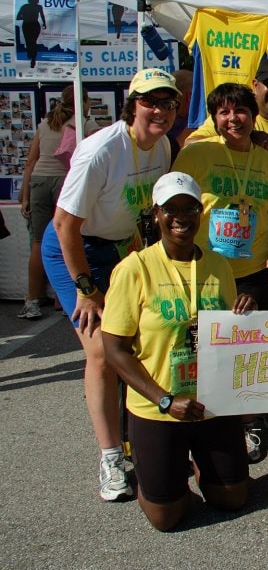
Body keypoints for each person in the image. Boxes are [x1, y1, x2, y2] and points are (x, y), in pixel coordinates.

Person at [41, 68, 179, 501]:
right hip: (74, 249)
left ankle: (136, 436)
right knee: (101, 350)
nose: (159, 110)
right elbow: (64, 225)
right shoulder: (100, 149)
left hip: (121, 247)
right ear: (132, 104)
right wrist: (86, 287)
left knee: (139, 339)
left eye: (168, 102)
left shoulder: (163, 144)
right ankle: (110, 457)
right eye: (149, 101)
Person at [101, 172, 254, 531]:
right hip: (159, 408)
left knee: (232, 498)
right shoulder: (134, 269)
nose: (181, 217)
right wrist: (165, 400)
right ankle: (159, 475)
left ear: (201, 213)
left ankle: (197, 463)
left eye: (190, 208)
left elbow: (228, 335)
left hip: (211, 404)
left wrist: (245, 318)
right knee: (166, 518)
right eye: (171, 209)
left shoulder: (218, 265)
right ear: (155, 214)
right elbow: (115, 349)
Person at [172, 83, 268, 310]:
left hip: (252, 275)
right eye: (224, 112)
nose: (233, 118)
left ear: (254, 117)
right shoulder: (195, 156)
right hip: (202, 268)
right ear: (214, 120)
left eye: (241, 111)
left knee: (244, 342)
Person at [188, 58, 268, 230]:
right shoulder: (233, 121)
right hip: (222, 236)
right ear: (256, 85)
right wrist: (249, 136)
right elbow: (190, 144)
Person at [19, 85, 97, 319]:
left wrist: (25, 195)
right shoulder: (86, 125)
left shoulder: (45, 123)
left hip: (39, 182)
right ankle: (62, 299)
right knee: (68, 238)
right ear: (84, 101)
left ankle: (33, 300)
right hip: (65, 182)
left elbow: (31, 162)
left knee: (38, 242)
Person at [16, 0, 45, 68]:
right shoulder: (38, 7)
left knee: (30, 42)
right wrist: (44, 23)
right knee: (32, 42)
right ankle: (32, 58)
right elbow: (42, 17)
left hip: (28, 25)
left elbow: (18, 17)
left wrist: (26, 17)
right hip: (33, 25)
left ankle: (32, 58)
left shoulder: (25, 6)